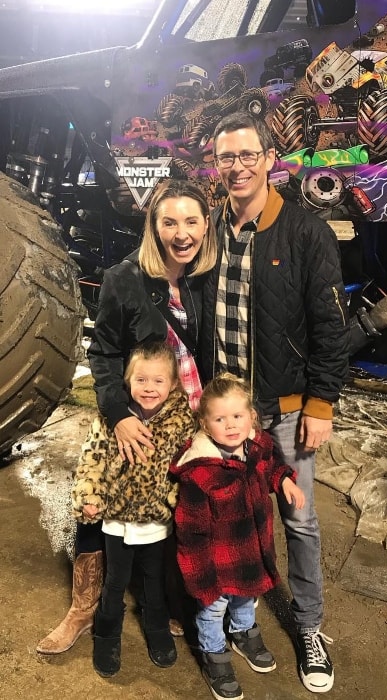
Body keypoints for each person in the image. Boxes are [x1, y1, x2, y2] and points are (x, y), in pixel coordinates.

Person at [199, 112, 350, 693]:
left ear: (268, 158)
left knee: (299, 520)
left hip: (284, 410)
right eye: (226, 158)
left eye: (246, 156)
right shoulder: (212, 228)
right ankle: (235, 616)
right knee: (230, 518)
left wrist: (321, 404)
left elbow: (329, 327)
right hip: (224, 417)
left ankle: (309, 626)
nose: (236, 167)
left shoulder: (305, 232)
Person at [37, 179, 217, 654]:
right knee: (99, 503)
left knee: (175, 505)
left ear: (206, 226)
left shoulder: (209, 278)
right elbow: (104, 352)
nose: (182, 233)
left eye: (192, 221)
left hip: (187, 417)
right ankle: (83, 607)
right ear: (153, 227)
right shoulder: (124, 277)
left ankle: (170, 599)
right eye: (170, 222)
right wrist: (116, 415)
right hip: (132, 414)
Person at [170, 373, 305, 700]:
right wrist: (200, 576)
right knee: (213, 610)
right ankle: (214, 654)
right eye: (219, 418)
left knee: (248, 595)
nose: (230, 425)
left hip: (251, 550)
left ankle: (243, 632)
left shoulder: (257, 447)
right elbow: (191, 530)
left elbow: (271, 466)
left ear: (251, 418)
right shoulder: (200, 472)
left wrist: (284, 479)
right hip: (215, 563)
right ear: (204, 423)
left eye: (237, 416)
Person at [72, 341, 195, 677]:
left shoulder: (182, 421)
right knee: (115, 580)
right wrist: (90, 496)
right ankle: (107, 631)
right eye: (141, 380)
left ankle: (156, 625)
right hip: (115, 520)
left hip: (156, 520)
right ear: (127, 381)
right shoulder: (111, 417)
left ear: (172, 384)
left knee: (153, 579)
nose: (149, 388)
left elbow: (191, 463)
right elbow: (92, 460)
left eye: (158, 381)